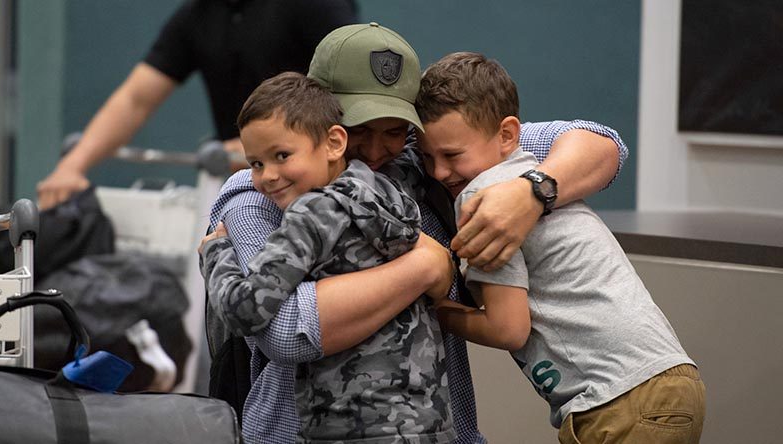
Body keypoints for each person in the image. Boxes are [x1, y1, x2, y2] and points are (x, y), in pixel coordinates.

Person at [205, 23, 629, 443]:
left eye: (392, 130)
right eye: (358, 131)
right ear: (321, 119)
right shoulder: (259, 194)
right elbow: (287, 331)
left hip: (438, 428)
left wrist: (532, 190)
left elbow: (603, 143)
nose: (374, 152)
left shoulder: (425, 155)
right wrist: (426, 266)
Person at [415, 51, 706, 444]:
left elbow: (508, 328)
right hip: (664, 382)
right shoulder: (531, 164)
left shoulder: (481, 195)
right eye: (426, 157)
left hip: (619, 400)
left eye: (451, 155)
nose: (438, 172)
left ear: (506, 135)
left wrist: (441, 314)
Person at [199, 71, 456, 442]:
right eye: (255, 164)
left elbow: (245, 310)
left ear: (335, 142)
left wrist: (216, 252)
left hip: (351, 428)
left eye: (282, 156)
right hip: (428, 423)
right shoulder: (392, 193)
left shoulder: (310, 214)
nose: (268, 176)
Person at [36, 0, 357, 210]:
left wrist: (266, 150)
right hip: (247, 186)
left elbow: (352, 89)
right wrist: (71, 166)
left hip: (326, 193)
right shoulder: (196, 15)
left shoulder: (315, 5)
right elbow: (136, 98)